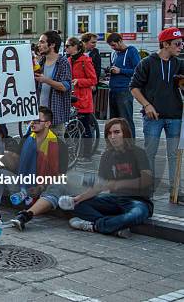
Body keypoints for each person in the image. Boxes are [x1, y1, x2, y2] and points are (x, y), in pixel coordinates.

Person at [68, 118, 152, 238]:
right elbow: (100, 185)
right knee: (76, 204)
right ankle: (113, 227)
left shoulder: (138, 153)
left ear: (125, 134)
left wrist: (118, 184)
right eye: (109, 133)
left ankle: (95, 226)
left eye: (117, 132)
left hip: (138, 201)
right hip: (114, 199)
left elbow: (146, 180)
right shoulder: (107, 156)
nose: (112, 136)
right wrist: (78, 198)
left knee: (136, 214)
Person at [130, 27, 184, 193]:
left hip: (175, 115)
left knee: (174, 155)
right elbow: (134, 88)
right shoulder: (147, 63)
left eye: (181, 43)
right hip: (153, 116)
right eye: (177, 44)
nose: (181, 46)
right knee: (150, 153)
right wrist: (147, 105)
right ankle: (149, 188)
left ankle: (175, 190)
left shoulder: (180, 64)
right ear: (166, 44)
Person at [9, 107, 69, 230]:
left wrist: (41, 187)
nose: (32, 123)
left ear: (48, 123)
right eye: (31, 120)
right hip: (23, 184)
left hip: (43, 187)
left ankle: (26, 215)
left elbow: (60, 175)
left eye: (37, 120)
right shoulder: (26, 140)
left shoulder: (60, 145)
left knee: (59, 185)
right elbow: (15, 165)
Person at [34, 31, 72, 138]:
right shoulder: (40, 62)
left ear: (52, 45)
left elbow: (64, 86)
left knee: (56, 151)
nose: (39, 45)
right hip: (39, 115)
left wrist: (46, 80)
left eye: (42, 42)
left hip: (54, 116)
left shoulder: (63, 62)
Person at [65, 37, 97, 160]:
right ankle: (75, 151)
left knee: (85, 128)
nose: (66, 48)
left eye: (68, 46)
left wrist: (79, 81)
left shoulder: (85, 61)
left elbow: (93, 80)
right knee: (72, 127)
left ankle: (87, 154)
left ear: (75, 47)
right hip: (70, 98)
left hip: (83, 99)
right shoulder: (68, 60)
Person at [106, 33, 141, 136]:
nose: (113, 48)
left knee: (126, 120)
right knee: (114, 121)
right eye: (111, 46)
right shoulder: (115, 53)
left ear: (120, 41)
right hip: (113, 89)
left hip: (124, 90)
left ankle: (130, 145)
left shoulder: (131, 51)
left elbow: (138, 70)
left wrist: (120, 70)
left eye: (114, 45)